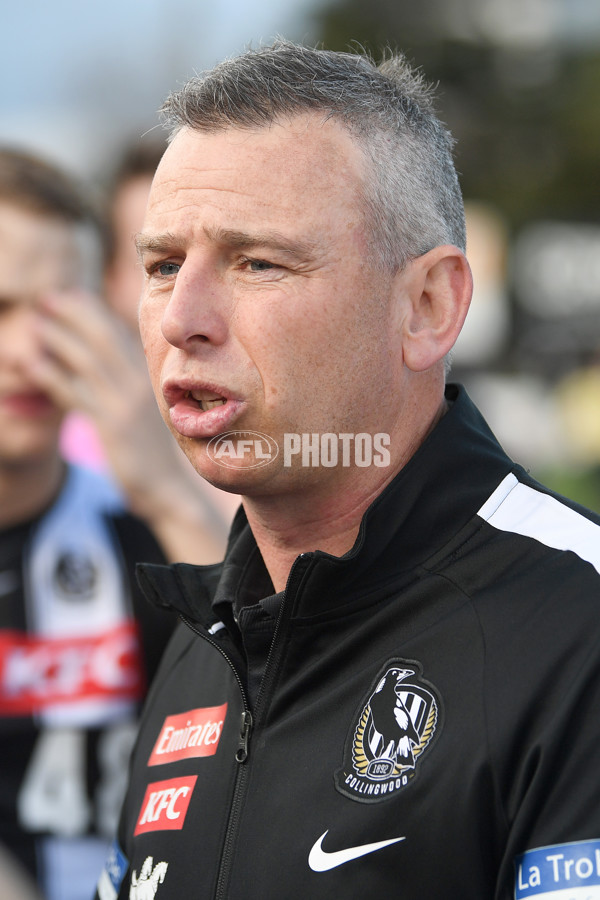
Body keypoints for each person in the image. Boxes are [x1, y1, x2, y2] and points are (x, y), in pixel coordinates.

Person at [96, 42, 600, 900]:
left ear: (428, 307)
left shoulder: (574, 628)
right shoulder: (204, 641)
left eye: (259, 262)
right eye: (163, 265)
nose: (183, 317)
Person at [0, 147, 174, 900]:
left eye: (60, 314)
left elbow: (280, 698)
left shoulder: (138, 526)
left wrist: (164, 484)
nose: (31, 352)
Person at [36, 139, 238, 566]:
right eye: (164, 265)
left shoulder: (281, 433)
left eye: (236, 260)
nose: (189, 302)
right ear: (108, 279)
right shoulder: (50, 444)